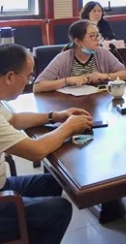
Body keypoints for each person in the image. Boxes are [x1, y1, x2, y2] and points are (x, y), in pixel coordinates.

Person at [0, 44, 93, 244]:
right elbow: (37, 151)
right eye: (28, 76)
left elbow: (14, 119)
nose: (29, 82)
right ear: (10, 77)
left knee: (54, 181)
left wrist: (55, 116)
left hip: (3, 184)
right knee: (59, 210)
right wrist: (68, 127)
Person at [33, 21, 126, 93]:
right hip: (70, 103)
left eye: (98, 35)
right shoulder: (63, 58)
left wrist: (105, 76)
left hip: (98, 101)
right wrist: (67, 81)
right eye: (92, 36)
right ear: (78, 41)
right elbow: (37, 87)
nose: (97, 39)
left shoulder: (102, 53)